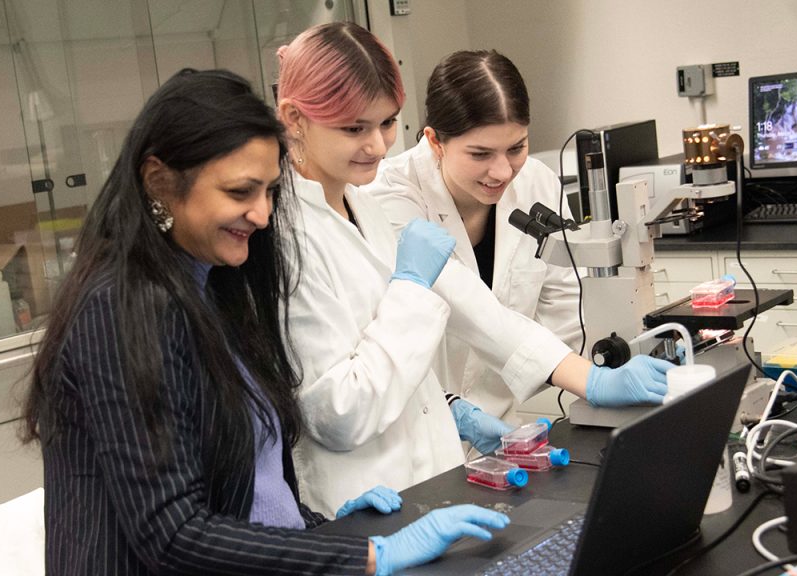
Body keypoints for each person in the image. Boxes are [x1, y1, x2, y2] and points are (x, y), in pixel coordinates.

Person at [21, 68, 508, 576]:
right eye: (240, 192)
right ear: (159, 182)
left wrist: (318, 528)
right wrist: (364, 555)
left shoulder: (215, 287)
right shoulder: (120, 308)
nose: (261, 213)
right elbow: (172, 533)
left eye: (271, 191)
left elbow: (248, 481)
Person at [275, 23, 670, 517]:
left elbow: (526, 311)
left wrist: (450, 406)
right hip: (361, 493)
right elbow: (342, 406)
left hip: (439, 468)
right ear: (294, 119)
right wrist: (582, 379)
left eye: (386, 123)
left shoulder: (359, 206)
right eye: (355, 129)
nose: (377, 146)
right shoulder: (300, 230)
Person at [364, 50, 671, 421]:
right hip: (421, 424)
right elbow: (468, 307)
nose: (502, 171)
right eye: (480, 154)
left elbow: (566, 312)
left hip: (501, 423)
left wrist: (624, 359)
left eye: (516, 148)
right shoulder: (390, 194)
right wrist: (589, 380)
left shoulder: (536, 181)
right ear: (435, 141)